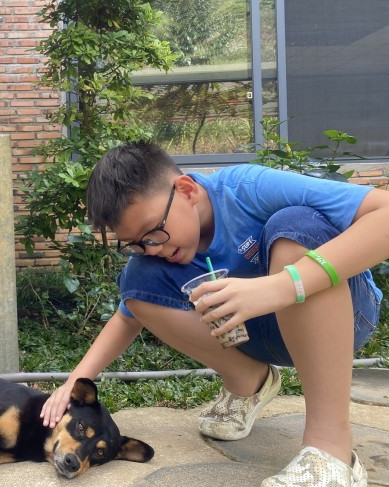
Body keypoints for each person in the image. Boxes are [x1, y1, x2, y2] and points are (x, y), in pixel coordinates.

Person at [40, 142, 388, 487]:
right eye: (136, 243)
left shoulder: (249, 189)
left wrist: (282, 286)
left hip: (344, 315)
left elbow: (384, 212)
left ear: (186, 190)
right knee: (137, 279)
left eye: (154, 232)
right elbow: (126, 318)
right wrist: (75, 381)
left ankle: (331, 450)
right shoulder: (157, 253)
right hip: (261, 334)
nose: (152, 248)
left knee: (295, 222)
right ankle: (248, 381)